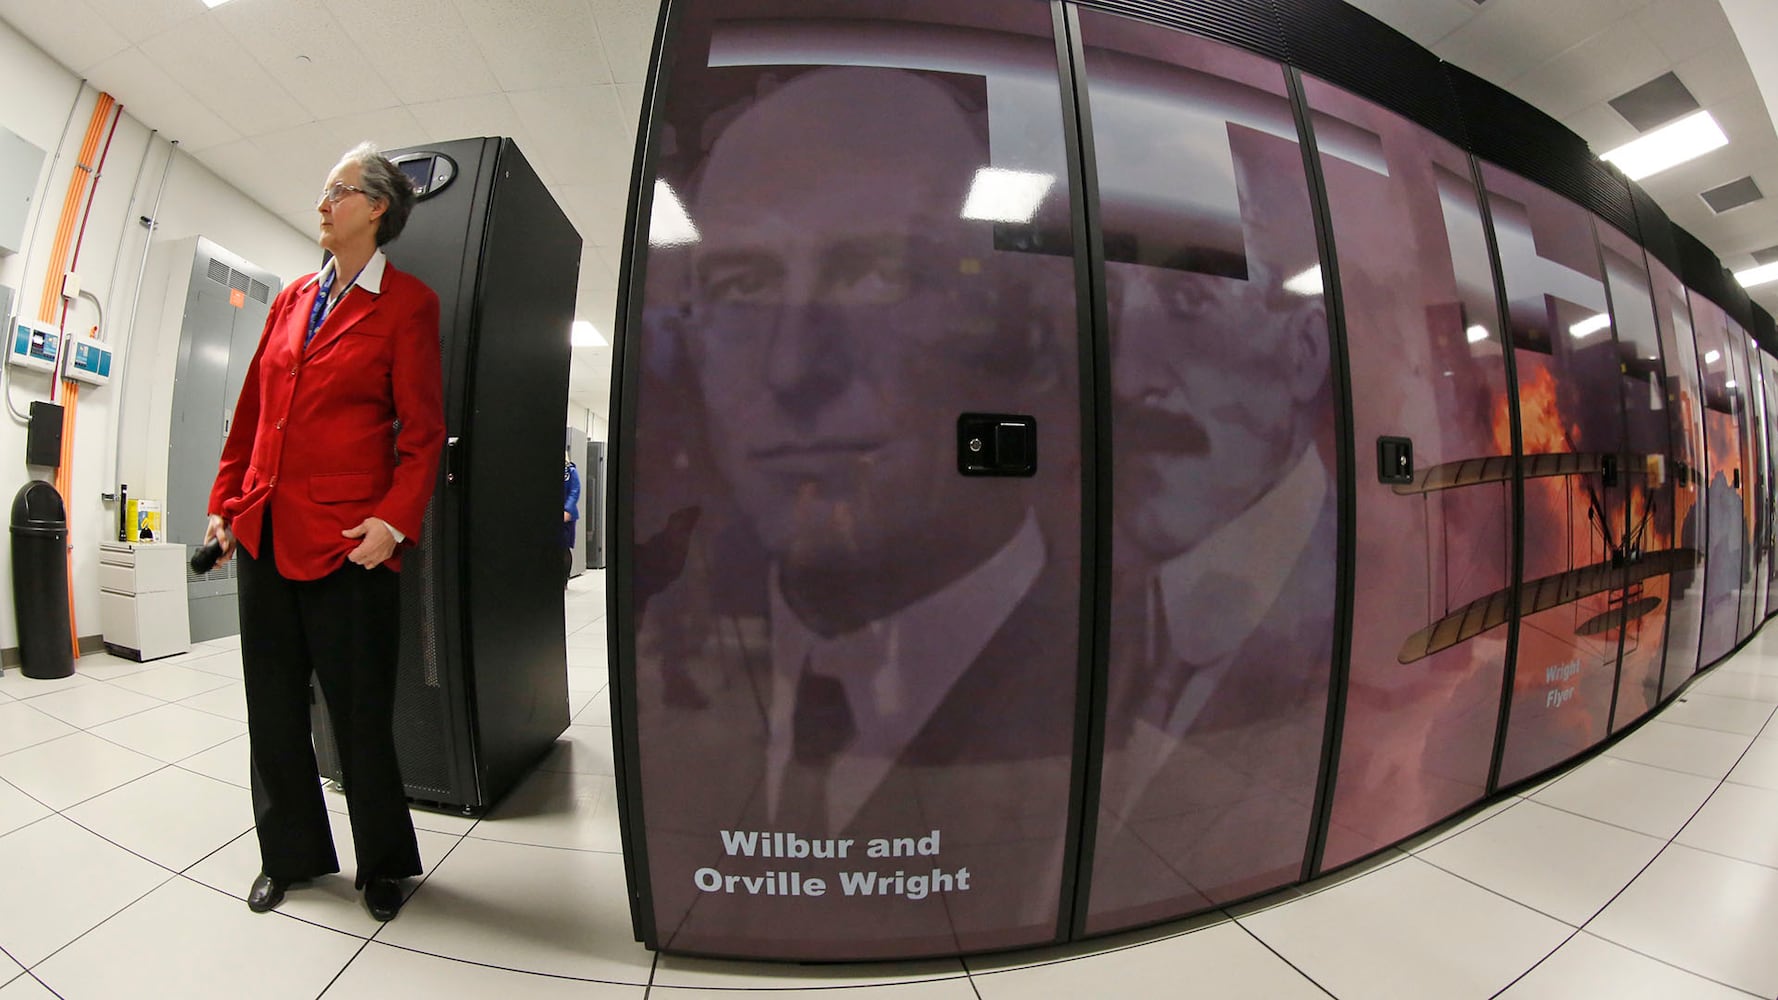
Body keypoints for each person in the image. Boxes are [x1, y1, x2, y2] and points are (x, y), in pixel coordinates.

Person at [631, 65, 1082, 954]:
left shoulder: (1136, 730)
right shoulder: (671, 728)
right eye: (743, 286)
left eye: (879, 272)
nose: (794, 367)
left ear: (1012, 328)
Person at [1085, 118, 1339, 927]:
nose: (1126, 376)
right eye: (1112, 308)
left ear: (1303, 353)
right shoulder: (1094, 594)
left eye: (1188, 301)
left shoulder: (1358, 609)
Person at [203, 142, 445, 923]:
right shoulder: (291, 299)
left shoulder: (407, 305)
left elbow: (423, 433)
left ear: (376, 207)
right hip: (265, 533)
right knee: (272, 710)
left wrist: (394, 522)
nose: (321, 204)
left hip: (350, 545)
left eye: (335, 191)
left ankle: (384, 864)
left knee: (360, 716)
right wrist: (226, 501)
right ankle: (290, 855)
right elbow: (253, 411)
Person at [562, 452, 580, 587]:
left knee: (564, 547)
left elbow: (575, 491)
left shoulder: (571, 472)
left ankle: (564, 579)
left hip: (566, 516)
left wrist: (567, 509)